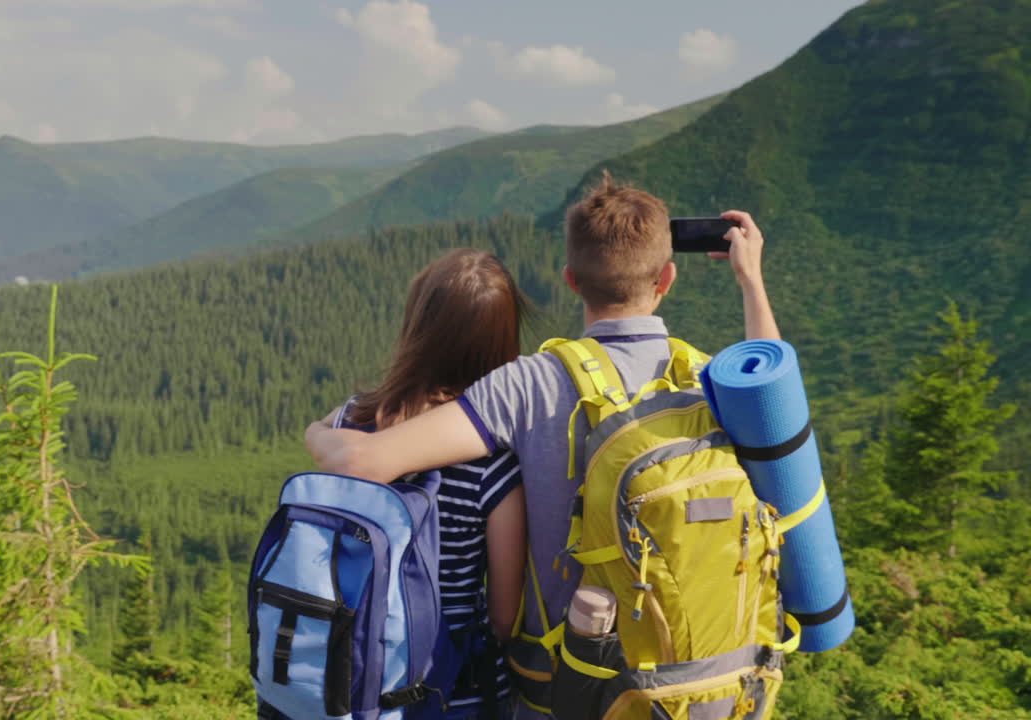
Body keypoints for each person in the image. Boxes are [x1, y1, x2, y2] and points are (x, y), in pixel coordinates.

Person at [306, 172, 781, 719]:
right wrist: (750, 281)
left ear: (570, 281)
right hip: (703, 688)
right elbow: (777, 411)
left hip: (567, 692)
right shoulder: (711, 378)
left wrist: (317, 429)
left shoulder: (527, 385)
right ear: (667, 278)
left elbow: (364, 460)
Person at [335, 247, 529, 719]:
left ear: (418, 326)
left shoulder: (352, 420)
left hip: (348, 677)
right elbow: (504, 618)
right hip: (449, 691)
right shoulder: (494, 464)